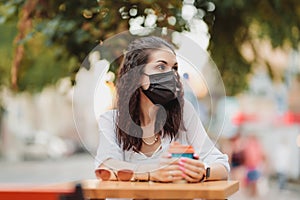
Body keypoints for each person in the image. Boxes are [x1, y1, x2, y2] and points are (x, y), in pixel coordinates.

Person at [95, 36, 229, 183]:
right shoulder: (111, 120)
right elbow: (106, 167)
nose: (171, 74)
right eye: (161, 67)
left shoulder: (184, 112)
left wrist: (203, 171)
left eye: (174, 68)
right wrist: (152, 173)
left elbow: (221, 165)